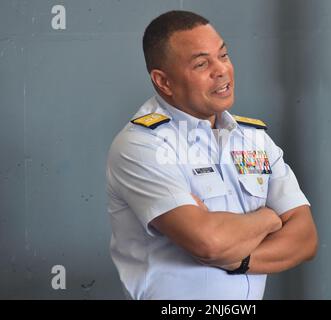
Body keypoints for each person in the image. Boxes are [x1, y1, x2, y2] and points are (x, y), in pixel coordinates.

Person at [106, 10, 318, 300]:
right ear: (163, 82)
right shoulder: (143, 145)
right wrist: (270, 219)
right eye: (202, 63)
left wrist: (240, 261)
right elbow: (209, 243)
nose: (221, 70)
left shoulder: (253, 138)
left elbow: (305, 239)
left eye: (224, 55)